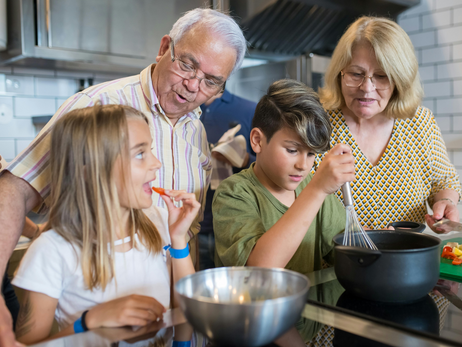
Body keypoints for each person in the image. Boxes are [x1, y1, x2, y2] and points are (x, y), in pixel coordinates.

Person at [0, 8, 246, 345]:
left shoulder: (195, 130)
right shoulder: (99, 106)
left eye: (211, 81)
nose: (193, 86)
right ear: (164, 48)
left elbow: (182, 239)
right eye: (187, 64)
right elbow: (16, 189)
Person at [11, 105, 199, 345]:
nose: (156, 163)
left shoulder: (159, 219)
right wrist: (91, 320)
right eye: (140, 154)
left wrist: (178, 239)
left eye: (150, 150)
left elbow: (185, 313)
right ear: (91, 171)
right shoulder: (51, 251)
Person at [315, 16, 462, 232]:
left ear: (400, 80)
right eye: (356, 74)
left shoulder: (420, 123)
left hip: (406, 261)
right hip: (336, 262)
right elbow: (291, 200)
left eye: (382, 76)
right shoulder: (316, 124)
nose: (367, 87)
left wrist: (446, 203)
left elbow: (443, 181)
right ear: (340, 73)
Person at [212, 79, 355, 274]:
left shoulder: (312, 188)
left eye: (311, 154)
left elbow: (347, 252)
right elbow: (260, 268)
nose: (303, 165)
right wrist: (317, 189)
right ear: (257, 141)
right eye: (292, 150)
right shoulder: (234, 193)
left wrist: (382, 244)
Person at [198, 90, 257, 269]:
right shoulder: (183, 107)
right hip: (187, 228)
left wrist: (245, 159)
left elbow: (270, 166)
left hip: (235, 228)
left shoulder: (249, 110)